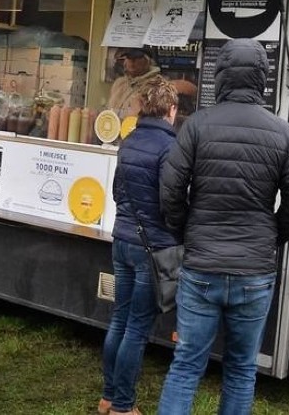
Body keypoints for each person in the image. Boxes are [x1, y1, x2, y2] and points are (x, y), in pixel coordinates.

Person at [157, 38, 289, 414]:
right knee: (242, 370)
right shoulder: (283, 132)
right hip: (254, 271)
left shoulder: (196, 126)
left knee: (186, 366)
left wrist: (185, 233)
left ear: (220, 76)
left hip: (202, 267)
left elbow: (170, 190)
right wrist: (273, 236)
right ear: (262, 78)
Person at [99, 76, 179, 415]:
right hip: (152, 248)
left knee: (119, 318)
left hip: (123, 240)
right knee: (137, 327)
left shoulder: (128, 141)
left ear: (144, 107)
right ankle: (122, 406)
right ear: (171, 110)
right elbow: (171, 201)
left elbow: (118, 192)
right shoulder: (170, 148)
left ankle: (107, 396)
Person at [107, 47, 161, 117]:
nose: (132, 61)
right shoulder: (119, 83)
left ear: (147, 61)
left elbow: (140, 113)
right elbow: (109, 107)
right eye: (128, 57)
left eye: (136, 57)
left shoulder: (154, 84)